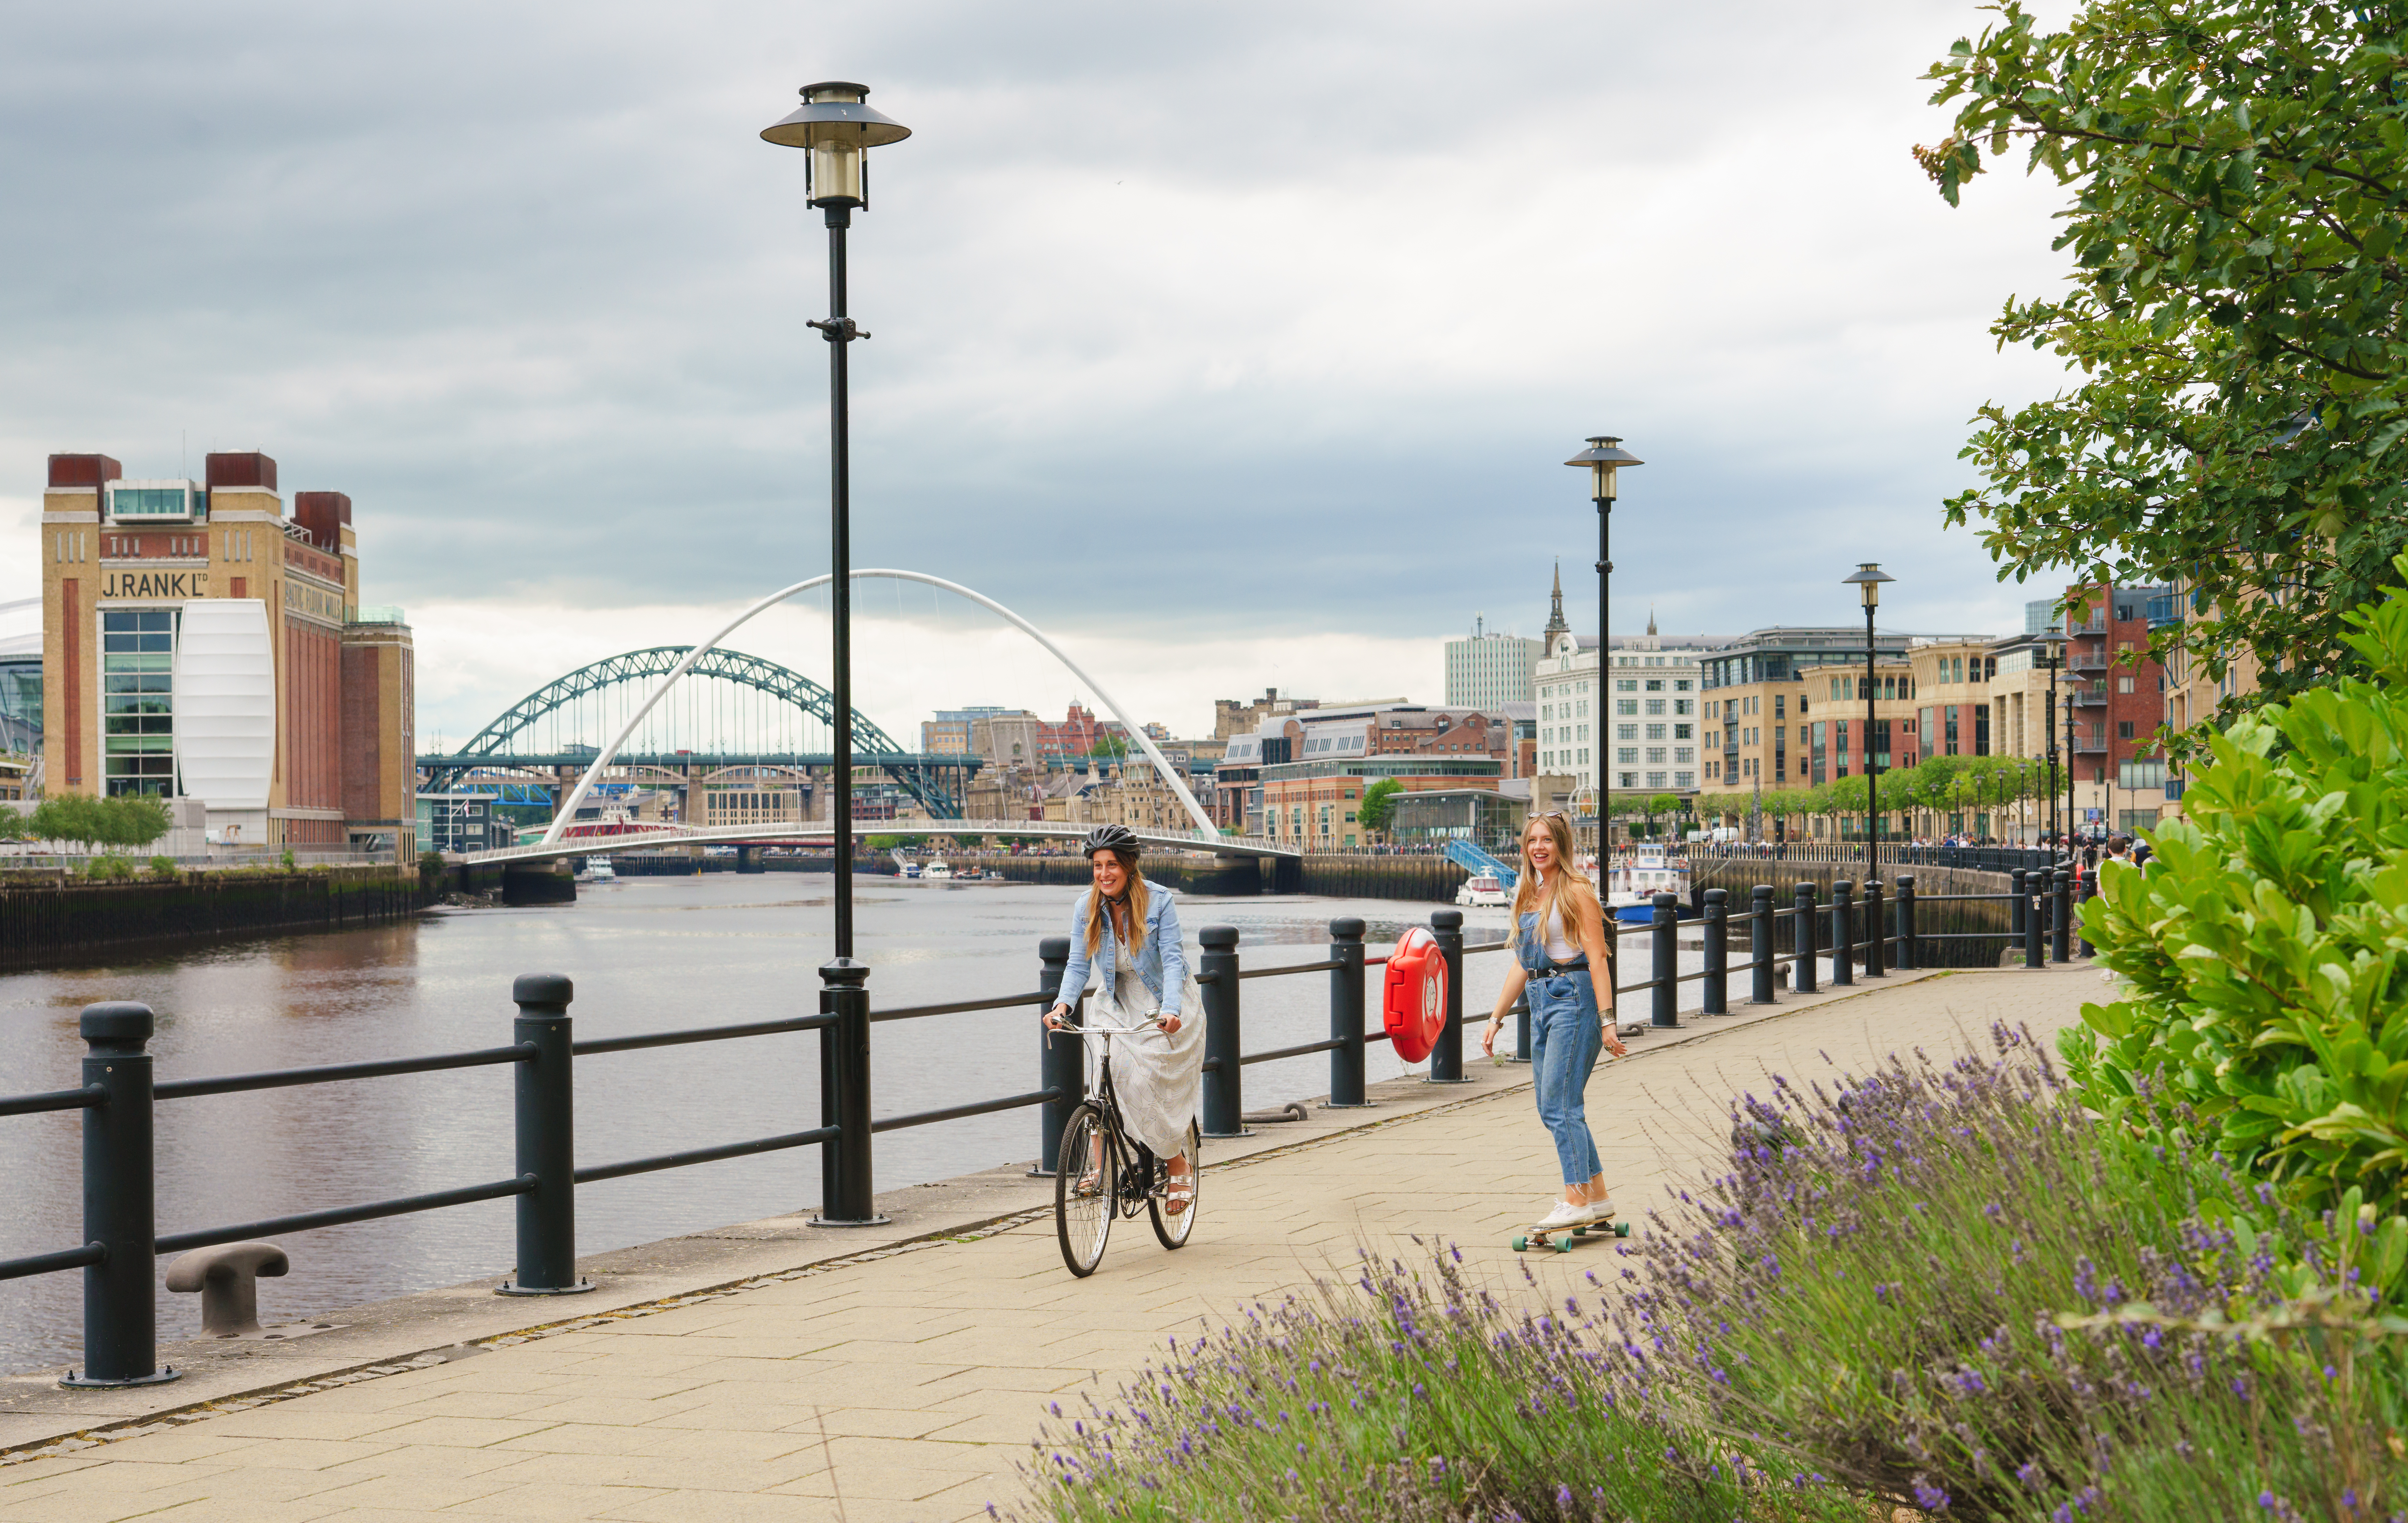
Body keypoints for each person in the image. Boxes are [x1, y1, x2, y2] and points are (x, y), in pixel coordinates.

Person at [1480, 811, 1627, 1235]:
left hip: (1574, 999)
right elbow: (1522, 964)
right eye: (1532, 840)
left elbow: (1598, 957)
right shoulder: (1530, 894)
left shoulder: (1576, 891)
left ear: (1562, 844)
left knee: (1562, 1105)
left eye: (1547, 839)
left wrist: (1607, 1021)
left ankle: (1575, 1198)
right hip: (1540, 1002)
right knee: (1554, 1106)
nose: (1538, 847)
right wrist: (1496, 1018)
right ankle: (1597, 1195)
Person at [1044, 825, 1202, 1216]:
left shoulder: (1160, 901)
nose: (1104, 873)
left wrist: (1170, 1011)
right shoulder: (1086, 905)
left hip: (1163, 997)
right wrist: (1062, 1005)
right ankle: (1098, 1164)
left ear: (1129, 866)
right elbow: (1078, 965)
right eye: (1097, 865)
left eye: (1112, 864)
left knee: (1144, 1073)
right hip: (1115, 997)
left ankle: (1176, 1160)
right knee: (1103, 1069)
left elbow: (1171, 960)